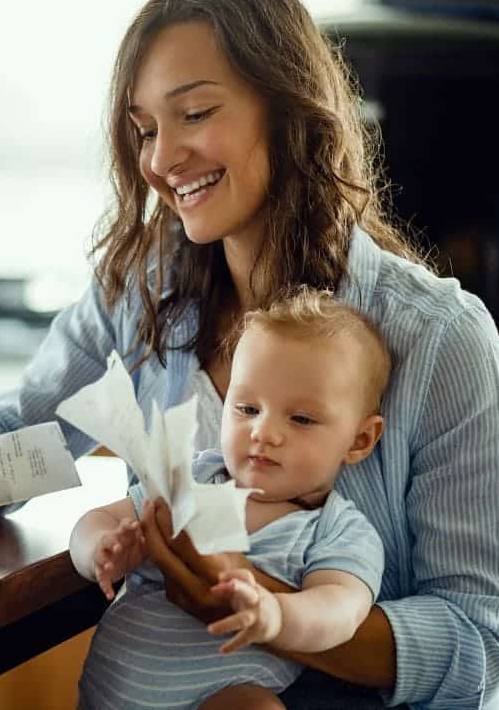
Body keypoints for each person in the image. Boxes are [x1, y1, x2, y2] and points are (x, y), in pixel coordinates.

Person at [0, 0, 499, 706]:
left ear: (288, 111)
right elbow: (17, 443)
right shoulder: (140, 295)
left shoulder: (441, 340)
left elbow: (483, 649)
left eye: (194, 114)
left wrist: (264, 608)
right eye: (146, 129)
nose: (159, 160)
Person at [73, 288, 389, 710]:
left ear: (360, 439)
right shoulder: (195, 476)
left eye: (300, 419)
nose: (263, 432)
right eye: (247, 409)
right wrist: (102, 548)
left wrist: (276, 615)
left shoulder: (336, 530)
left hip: (220, 696)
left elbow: (342, 610)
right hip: (108, 695)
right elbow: (95, 520)